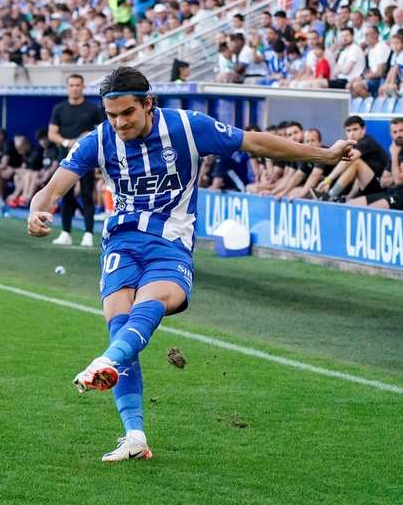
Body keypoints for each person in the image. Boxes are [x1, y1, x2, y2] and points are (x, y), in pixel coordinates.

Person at [26, 66, 353, 462]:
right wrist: (36, 211)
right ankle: (134, 435)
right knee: (120, 326)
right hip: (121, 242)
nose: (119, 123)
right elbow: (51, 188)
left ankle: (109, 361)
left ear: (148, 104)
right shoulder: (98, 140)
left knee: (155, 303)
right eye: (111, 115)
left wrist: (322, 154)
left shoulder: (187, 126)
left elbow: (256, 143)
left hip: (170, 242)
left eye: (127, 113)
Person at [48, 74, 104, 247]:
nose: (75, 88)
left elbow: (103, 131)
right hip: (65, 158)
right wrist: (67, 142)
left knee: (87, 195)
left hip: (86, 158)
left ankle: (88, 234)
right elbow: (52, 134)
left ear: (83, 86)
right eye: (71, 85)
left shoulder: (93, 109)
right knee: (65, 195)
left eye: (78, 85)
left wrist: (88, 137)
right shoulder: (59, 108)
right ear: (67, 87)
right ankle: (66, 233)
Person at [316, 115, 389, 202]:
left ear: (363, 130)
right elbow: (357, 176)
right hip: (368, 186)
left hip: (383, 187)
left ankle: (329, 196)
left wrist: (328, 180)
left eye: (355, 129)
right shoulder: (352, 145)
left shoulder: (367, 142)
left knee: (354, 162)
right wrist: (350, 197)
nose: (352, 133)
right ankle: (335, 195)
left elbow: (348, 161)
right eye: (348, 130)